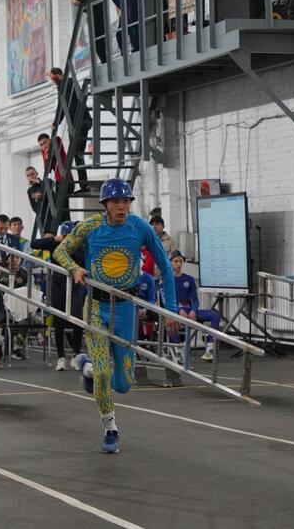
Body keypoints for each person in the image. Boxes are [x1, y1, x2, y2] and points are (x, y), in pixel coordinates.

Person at [54, 178, 177, 454]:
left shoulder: (140, 227)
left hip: (125, 308)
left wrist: (171, 308)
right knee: (102, 372)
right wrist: (75, 268)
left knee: (122, 383)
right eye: (116, 202)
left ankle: (86, 367)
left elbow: (166, 269)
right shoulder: (91, 227)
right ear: (106, 205)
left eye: (126, 202)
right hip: (96, 308)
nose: (122, 206)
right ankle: (110, 429)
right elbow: (60, 250)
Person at [31, 220, 85, 371]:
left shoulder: (79, 246)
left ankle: (76, 354)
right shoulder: (55, 244)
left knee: (77, 319)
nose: (68, 239)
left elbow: (84, 262)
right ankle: (61, 358)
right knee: (58, 321)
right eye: (65, 236)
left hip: (74, 284)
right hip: (57, 284)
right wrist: (54, 239)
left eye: (71, 236)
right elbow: (34, 244)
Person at [169, 250, 220, 362]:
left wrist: (193, 310)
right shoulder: (167, 279)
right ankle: (177, 350)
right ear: (170, 262)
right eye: (175, 261)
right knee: (171, 317)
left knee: (214, 315)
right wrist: (178, 310)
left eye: (180, 261)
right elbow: (166, 301)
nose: (178, 264)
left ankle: (210, 348)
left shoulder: (189, 279)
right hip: (175, 312)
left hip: (190, 312)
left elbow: (195, 300)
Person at [49, 67, 90, 191]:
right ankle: (84, 185)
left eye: (52, 77)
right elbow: (61, 106)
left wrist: (56, 78)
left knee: (78, 154)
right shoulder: (63, 88)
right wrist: (56, 122)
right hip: (75, 124)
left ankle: (84, 184)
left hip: (81, 122)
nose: (52, 80)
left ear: (58, 75)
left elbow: (65, 97)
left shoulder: (70, 82)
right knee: (77, 155)